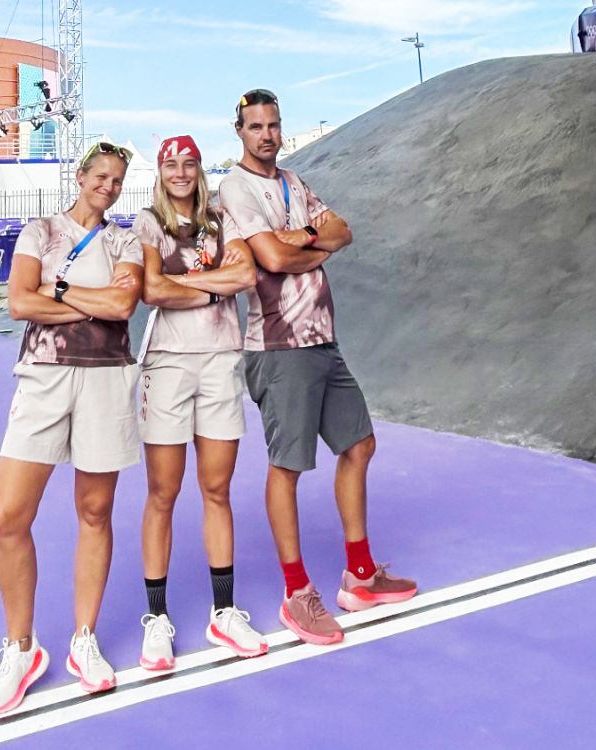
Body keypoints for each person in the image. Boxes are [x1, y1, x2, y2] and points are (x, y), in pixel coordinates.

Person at [217, 89, 417, 647]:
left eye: (273, 125)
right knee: (288, 467)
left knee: (359, 446)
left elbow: (343, 230)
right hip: (280, 348)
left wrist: (304, 238)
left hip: (323, 341)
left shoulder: (294, 183)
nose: (267, 135)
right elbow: (274, 261)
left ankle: (359, 575)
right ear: (240, 131)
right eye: (255, 126)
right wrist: (309, 244)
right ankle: (296, 592)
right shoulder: (236, 188)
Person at [0, 142, 143, 716]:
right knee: (9, 517)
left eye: (118, 179)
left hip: (106, 382)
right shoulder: (40, 230)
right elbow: (19, 304)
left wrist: (58, 293)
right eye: (100, 174)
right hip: (44, 380)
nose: (108, 184)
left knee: (95, 513)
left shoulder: (125, 239)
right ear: (80, 176)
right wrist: (84, 300)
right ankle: (21, 649)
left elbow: (124, 306)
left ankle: (84, 640)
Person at [131, 135, 266, 671]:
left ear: (199, 168)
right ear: (161, 172)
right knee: (162, 492)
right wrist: (213, 288)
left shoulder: (221, 217)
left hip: (220, 360)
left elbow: (247, 274)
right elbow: (153, 291)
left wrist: (185, 280)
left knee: (217, 488)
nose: (181, 173)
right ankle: (157, 617)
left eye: (189, 164)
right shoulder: (147, 223)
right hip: (167, 363)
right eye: (172, 165)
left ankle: (224, 612)